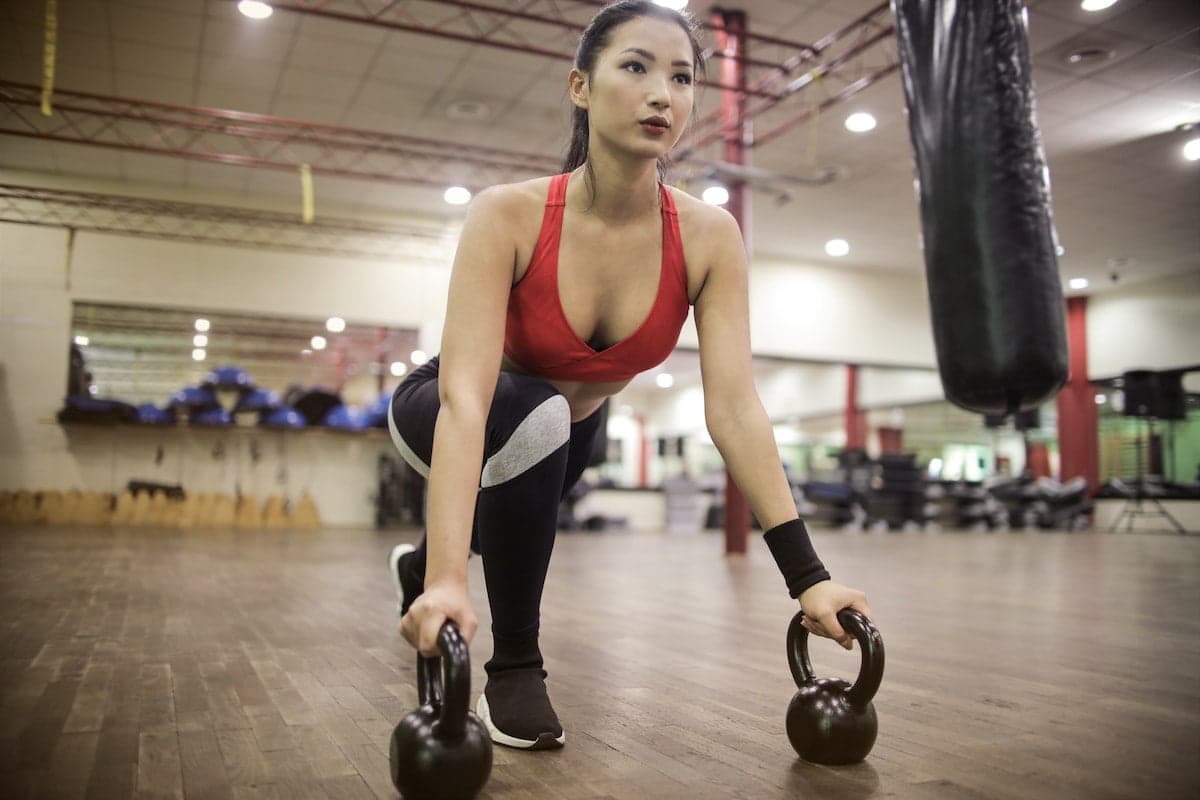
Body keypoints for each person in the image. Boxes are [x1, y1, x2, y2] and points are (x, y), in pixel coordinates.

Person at [387, 0, 871, 751]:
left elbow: (736, 411)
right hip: (446, 404)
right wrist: (452, 577)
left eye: (682, 78)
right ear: (580, 86)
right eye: (636, 67)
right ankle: (514, 664)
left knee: (544, 441)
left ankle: (416, 566)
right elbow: (466, 397)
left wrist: (807, 576)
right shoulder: (508, 215)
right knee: (533, 412)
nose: (662, 94)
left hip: (570, 431)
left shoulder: (709, 236)